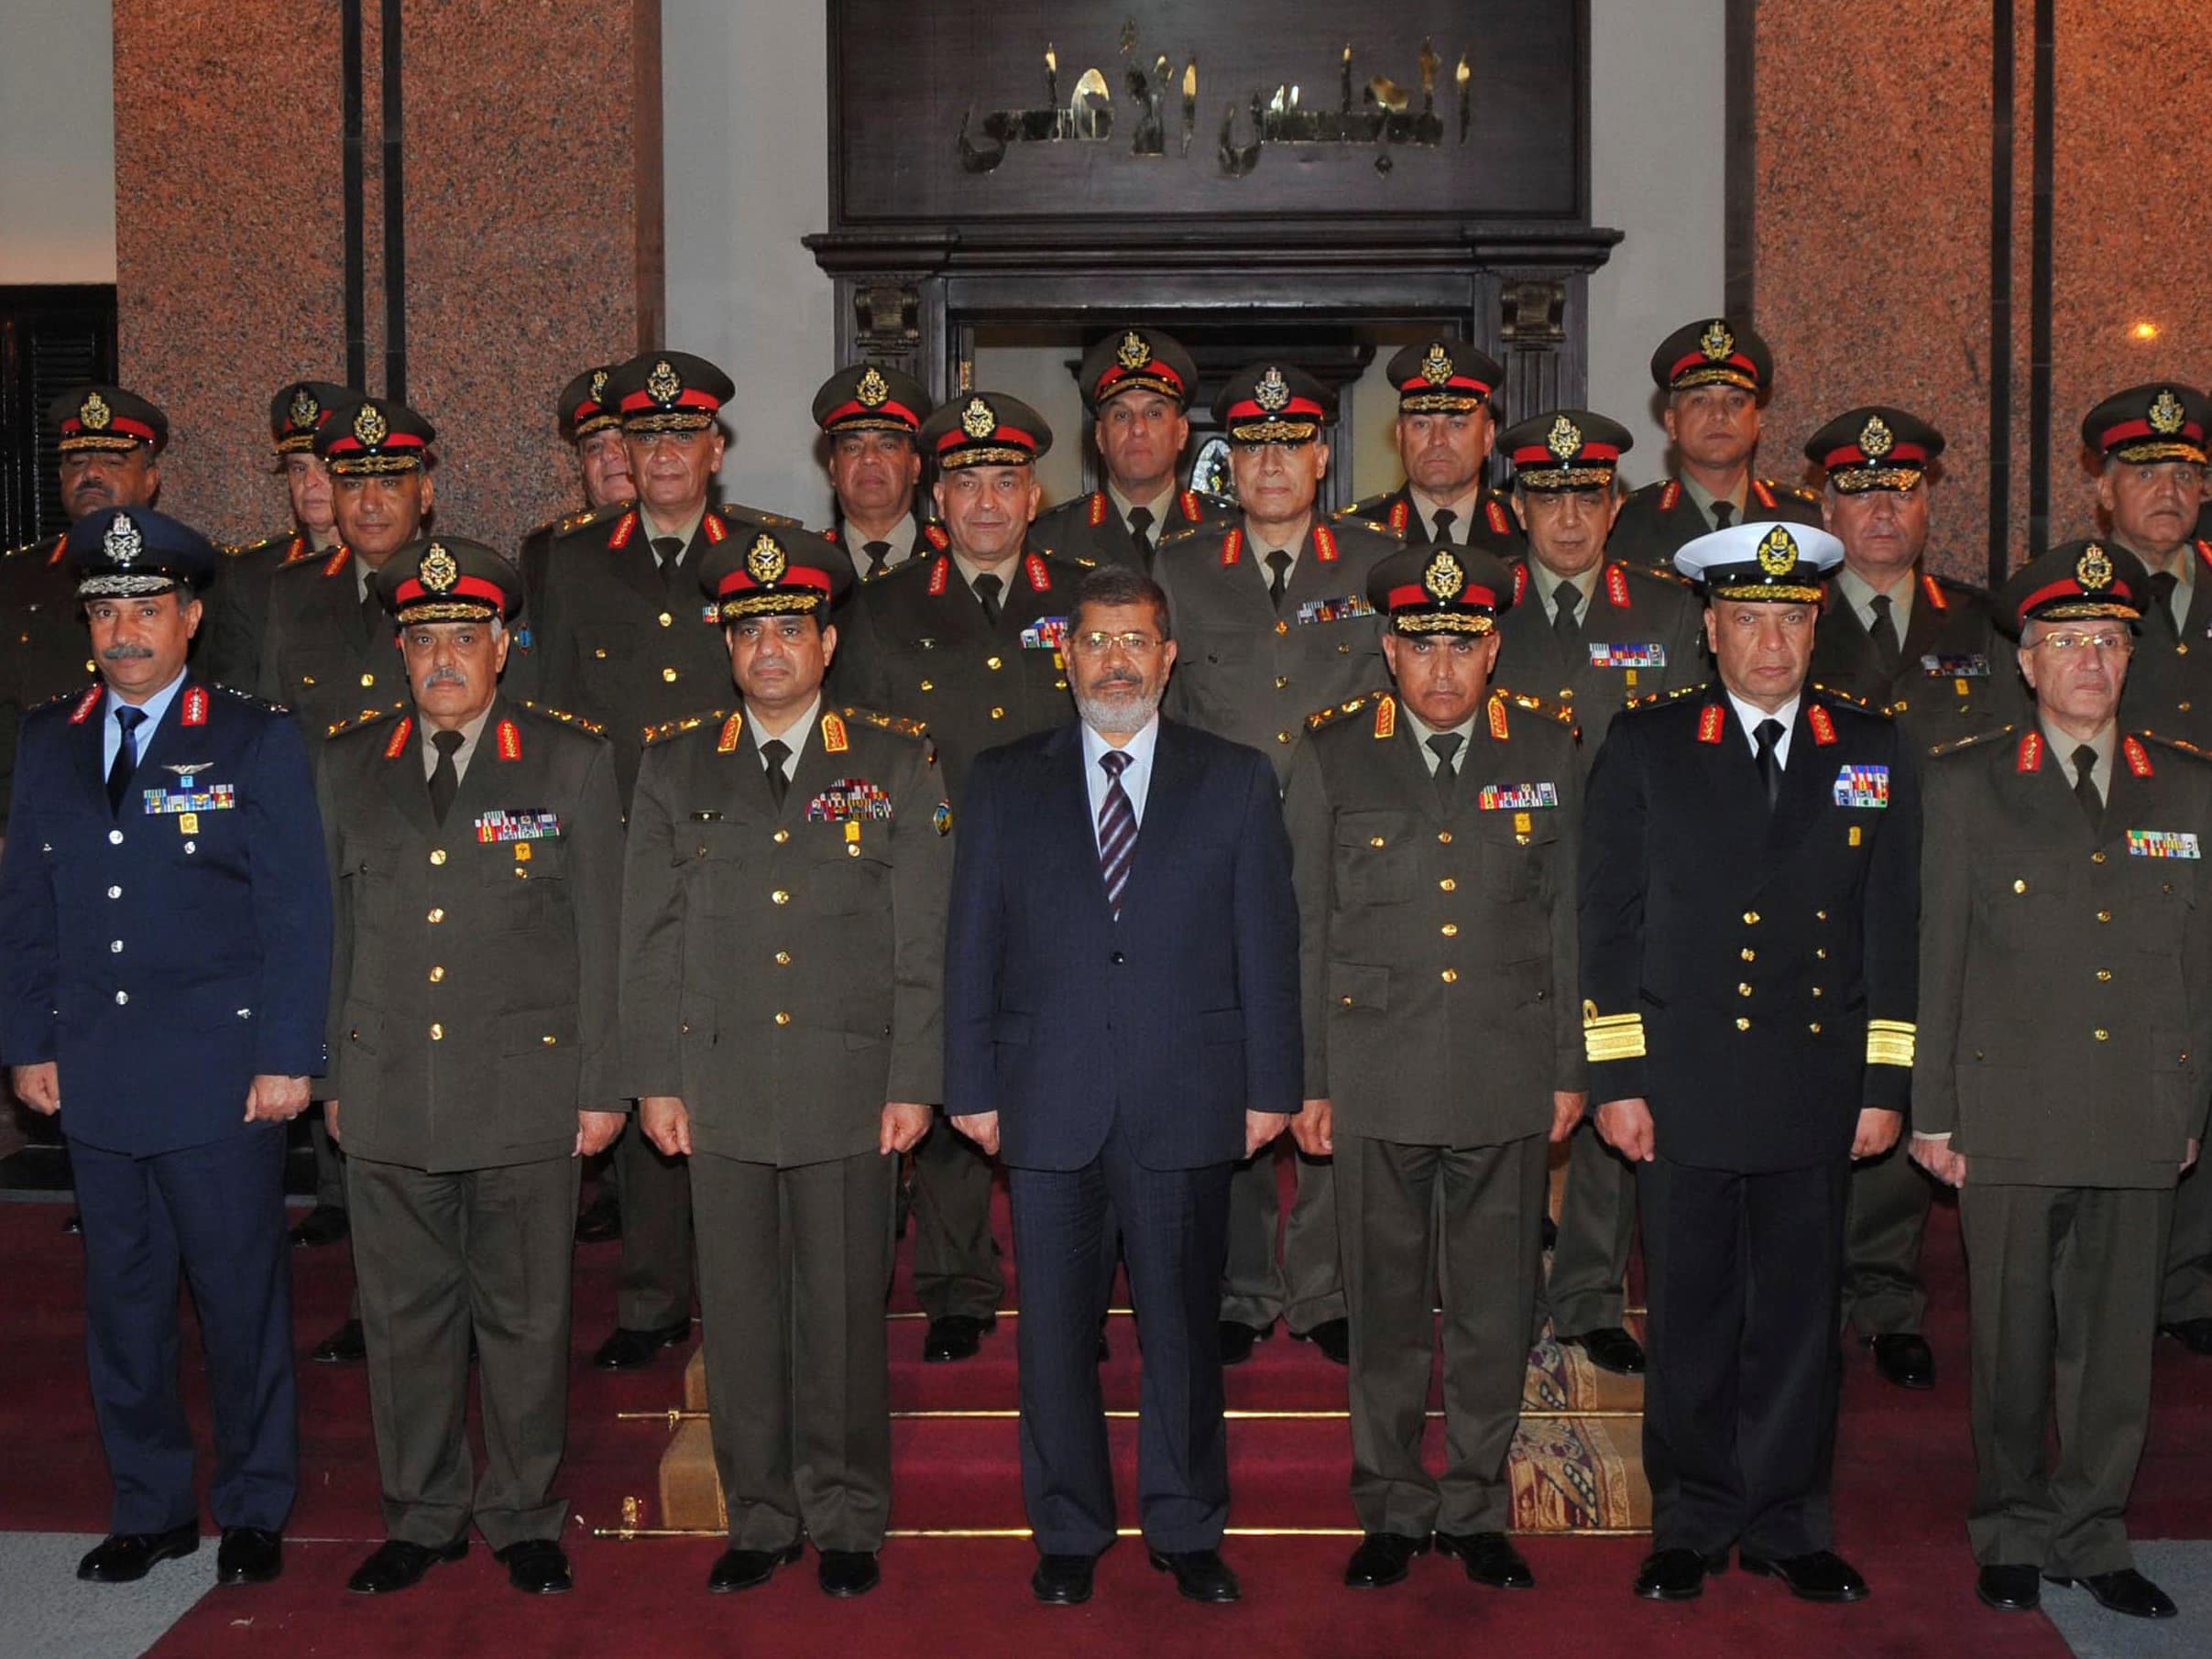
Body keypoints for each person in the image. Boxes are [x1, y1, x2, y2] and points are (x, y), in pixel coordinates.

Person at [945, 562, 1301, 1608]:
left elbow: (1266, 947)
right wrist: (968, 1078)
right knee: (1052, 1334)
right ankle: (1066, 1525)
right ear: (1065, 656)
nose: (1114, 660)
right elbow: (972, 942)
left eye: (1134, 640)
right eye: (1094, 640)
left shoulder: (1232, 777)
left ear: (1167, 654)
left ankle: (1186, 1524)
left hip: (1183, 1093)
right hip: (1045, 1096)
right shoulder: (1005, 778)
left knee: (1183, 1331)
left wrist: (1270, 1084)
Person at [1581, 519, 1919, 1605]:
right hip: (1681, 1077)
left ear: (1815, 627)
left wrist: (1883, 1081)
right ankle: (1687, 1516)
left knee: (1795, 1315)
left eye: (1789, 617)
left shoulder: (1867, 744)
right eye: (1747, 618)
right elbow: (1607, 924)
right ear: (1708, 628)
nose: (1769, 641)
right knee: (1685, 1311)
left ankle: (1784, 1519)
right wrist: (1617, 1078)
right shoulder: (1646, 744)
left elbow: (1890, 925)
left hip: (1812, 1079)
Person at [0, 506, 330, 1588]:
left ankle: (252, 1502)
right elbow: (27, 905)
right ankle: (149, 1505)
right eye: (106, 608)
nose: (125, 627)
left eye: (147, 606)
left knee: (238, 1299)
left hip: (219, 1073)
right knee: (123, 1303)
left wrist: (290, 1052)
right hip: (95, 1065)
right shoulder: (48, 737)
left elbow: (295, 910)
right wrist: (27, 1038)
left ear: (190, 616)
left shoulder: (251, 734)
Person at [624, 529, 949, 1599]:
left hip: (847, 1084)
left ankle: (847, 1511)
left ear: (827, 638)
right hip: (717, 1083)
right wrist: (654, 1076)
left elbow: (921, 938)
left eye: (788, 627)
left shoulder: (895, 758)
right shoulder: (675, 763)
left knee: (843, 1308)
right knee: (742, 1309)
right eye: (748, 627)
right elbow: (650, 934)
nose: (768, 647)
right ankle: (759, 1513)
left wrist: (913, 1075)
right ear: (726, 641)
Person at [318, 539, 625, 1598]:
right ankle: (423, 1511)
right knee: (403, 1316)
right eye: (423, 638)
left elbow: (604, 933)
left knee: (526, 1314)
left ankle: (525, 1511)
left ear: (503, 645)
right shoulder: (346, 761)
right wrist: (330, 1076)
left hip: (527, 1089)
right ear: (399, 652)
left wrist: (601, 1084)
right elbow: (332, 933)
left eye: (464, 636)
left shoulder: (569, 760)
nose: (443, 656)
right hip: (389, 1079)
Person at [1911, 539, 2207, 1624]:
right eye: (2066, 641)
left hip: (2135, 1107)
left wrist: (2186, 1107)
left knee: (2114, 1345)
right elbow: (1934, 954)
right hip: (2005, 1113)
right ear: (2025, 662)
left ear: (2129, 655)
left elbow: (2200, 970)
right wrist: (1931, 1110)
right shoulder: (1965, 782)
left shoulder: (2183, 784)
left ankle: (2092, 1529)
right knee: (2010, 1339)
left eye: (2107, 639)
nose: (2088, 658)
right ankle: (2008, 1524)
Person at [1286, 543, 1582, 1593]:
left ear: (1493, 645)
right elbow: (1306, 931)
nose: (1442, 667)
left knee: (1496, 1305)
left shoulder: (1548, 747)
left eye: (1462, 643)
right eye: (1421, 643)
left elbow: (1568, 923)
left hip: (1505, 1067)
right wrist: (1310, 1077)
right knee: (1385, 1312)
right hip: (1374, 1072)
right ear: (1388, 646)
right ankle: (1392, 1503)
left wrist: (1567, 1064)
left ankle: (1472, 1502)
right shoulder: (1331, 754)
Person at [533, 350, 784, 1371]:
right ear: (624, 453)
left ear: (715, 450)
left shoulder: (774, 550)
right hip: (628, 848)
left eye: (684, 436)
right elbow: (548, 711)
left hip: (744, 843)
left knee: (742, 1053)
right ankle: (648, 1293)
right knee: (643, 1055)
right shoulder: (570, 559)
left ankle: (750, 1281)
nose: (665, 453)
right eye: (646, 438)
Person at [1155, 360, 1398, 1367]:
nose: (1268, 465)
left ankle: (1328, 1283)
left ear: (1320, 454)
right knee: (1236, 1066)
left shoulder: (1379, 563)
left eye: (1286, 445)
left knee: (1340, 1064)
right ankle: (1243, 1283)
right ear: (1226, 461)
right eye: (1248, 447)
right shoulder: (1176, 569)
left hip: (1351, 858)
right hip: (1219, 866)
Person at [834, 389, 1083, 1363]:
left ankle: (1073, 1274)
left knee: (1064, 1078)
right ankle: (955, 1280)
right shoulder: (882, 610)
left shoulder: (1082, 600)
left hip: (1065, 877)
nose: (986, 500)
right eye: (966, 481)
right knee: (944, 1077)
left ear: (1034, 495)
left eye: (1005, 481)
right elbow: (856, 756)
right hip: (932, 877)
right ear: (935, 500)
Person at [1490, 407, 1703, 1378]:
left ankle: (1585, 1292)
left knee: (1613, 1079)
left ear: (1614, 504)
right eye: (1546, 494)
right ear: (1515, 505)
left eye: (1586, 494)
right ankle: (1491, 1282)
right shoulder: (1477, 607)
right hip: (1500, 886)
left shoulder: (1663, 611)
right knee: (1500, 1086)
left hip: (1628, 893)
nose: (1567, 515)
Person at [1804, 404, 2011, 1392]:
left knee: (1900, 1081)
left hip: (1932, 904)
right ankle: (1802, 1292)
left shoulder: (1980, 623)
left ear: (1928, 500)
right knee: (1805, 1091)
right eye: (1857, 489)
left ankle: (1883, 1294)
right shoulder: (1783, 608)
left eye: (1900, 489)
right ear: (1821, 501)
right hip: (1805, 898)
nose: (1879, 508)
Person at [258, 393, 438, 1307]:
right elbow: (268, 741)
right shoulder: (292, 595)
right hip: (330, 879)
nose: (369, 502)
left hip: (440, 884)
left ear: (425, 490)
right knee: (353, 1093)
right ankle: (383, 1308)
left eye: (389, 482)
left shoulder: (458, 591)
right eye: (352, 481)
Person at [2075, 384, 2212, 1358]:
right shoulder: (2065, 598)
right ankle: (2106, 1276)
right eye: (2144, 472)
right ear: (2103, 489)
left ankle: (2187, 1277)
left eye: (2184, 473)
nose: (2166, 489)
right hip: (2117, 875)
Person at [0, 386, 169, 835]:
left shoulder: (195, 577)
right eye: (76, 463)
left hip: (162, 815)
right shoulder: (15, 580)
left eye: (112, 462)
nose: (90, 473)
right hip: (40, 820)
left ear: (151, 480)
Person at [1606, 319, 1822, 573]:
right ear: (1672, 423)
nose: (1719, 414)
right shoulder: (1627, 524)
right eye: (1699, 400)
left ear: (1756, 423)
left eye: (1736, 401)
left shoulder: (1804, 521)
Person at [1031, 328, 1234, 572]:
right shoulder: (1050, 539)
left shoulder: (1228, 532)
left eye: (1154, 413)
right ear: (1099, 436)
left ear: (1181, 433)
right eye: (1122, 415)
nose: (1138, 428)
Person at [202, 380, 353, 692]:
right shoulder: (252, 576)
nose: (310, 482)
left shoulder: (393, 563)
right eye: (298, 468)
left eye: (324, 467)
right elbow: (234, 694)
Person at [1339, 337, 1522, 556]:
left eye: (1456, 424)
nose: (1438, 439)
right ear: (1400, 436)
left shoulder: (1526, 528)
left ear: (1487, 437)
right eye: (1421, 424)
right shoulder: (1352, 533)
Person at [516, 365, 637, 610]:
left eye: (622, 440)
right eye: (595, 447)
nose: (609, 455)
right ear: (582, 466)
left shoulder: (689, 537)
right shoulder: (548, 552)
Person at [810, 363, 946, 576]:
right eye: (852, 448)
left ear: (915, 467)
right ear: (833, 470)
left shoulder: (955, 557)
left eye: (887, 446)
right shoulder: (808, 565)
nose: (869, 458)